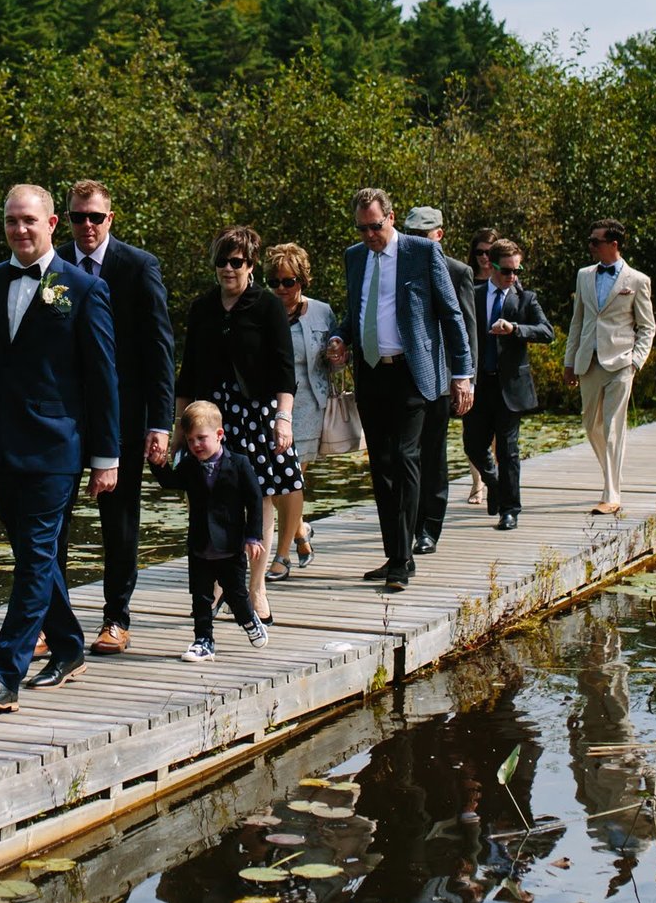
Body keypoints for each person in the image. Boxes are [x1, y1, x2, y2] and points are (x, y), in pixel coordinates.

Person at [0, 184, 120, 712]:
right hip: (0, 444)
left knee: (34, 555)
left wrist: (105, 457)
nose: (20, 230)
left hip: (58, 447)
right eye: (12, 221)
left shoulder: (82, 287)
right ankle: (71, 645)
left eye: (29, 220)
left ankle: (3, 674)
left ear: (52, 223)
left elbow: (103, 380)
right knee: (33, 552)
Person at [55, 178, 176, 656]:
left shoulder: (139, 266)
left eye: (95, 217)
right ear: (66, 219)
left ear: (111, 218)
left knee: (120, 520)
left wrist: (160, 423)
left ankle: (115, 619)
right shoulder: (54, 263)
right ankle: (51, 622)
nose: (86, 225)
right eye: (78, 216)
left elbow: (160, 350)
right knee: (52, 520)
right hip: (64, 415)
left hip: (124, 413)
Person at [330, 189, 472, 591]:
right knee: (382, 466)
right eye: (362, 228)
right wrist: (341, 338)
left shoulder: (422, 253)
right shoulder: (355, 256)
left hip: (413, 372)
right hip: (372, 372)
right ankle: (397, 554)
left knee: (407, 458)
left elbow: (451, 314)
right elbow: (356, 311)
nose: (369, 235)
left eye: (375, 226)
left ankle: (401, 560)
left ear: (390, 218)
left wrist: (462, 373)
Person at [175, 224, 297, 622]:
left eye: (236, 262)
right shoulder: (203, 307)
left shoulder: (266, 306)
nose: (228, 269)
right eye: (221, 262)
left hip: (256, 413)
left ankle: (256, 587)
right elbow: (188, 371)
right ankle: (213, 586)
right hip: (210, 414)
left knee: (258, 498)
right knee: (206, 496)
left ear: (250, 264)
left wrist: (283, 418)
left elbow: (284, 370)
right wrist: (179, 426)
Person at [149, 401, 268, 660]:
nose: (196, 445)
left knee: (236, 593)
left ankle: (249, 620)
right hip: (200, 545)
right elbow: (171, 482)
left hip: (230, 544)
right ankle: (203, 639)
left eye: (201, 438)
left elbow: (254, 500)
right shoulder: (191, 466)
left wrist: (253, 535)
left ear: (219, 435)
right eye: (190, 440)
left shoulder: (239, 464)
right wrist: (156, 461)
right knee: (201, 597)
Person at [399, 206, 478, 557]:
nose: (416, 241)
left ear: (439, 235)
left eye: (423, 235)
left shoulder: (457, 271)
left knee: (433, 454)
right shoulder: (394, 266)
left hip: (440, 379)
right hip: (401, 377)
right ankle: (407, 525)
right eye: (410, 234)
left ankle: (430, 527)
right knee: (404, 455)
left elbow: (465, 328)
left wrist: (464, 378)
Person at [563, 218, 655, 514]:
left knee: (614, 426)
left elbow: (647, 327)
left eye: (595, 242)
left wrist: (635, 362)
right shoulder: (584, 275)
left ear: (613, 244)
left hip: (620, 362)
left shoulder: (637, 280)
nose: (590, 246)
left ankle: (611, 493)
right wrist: (569, 361)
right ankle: (610, 475)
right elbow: (577, 321)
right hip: (588, 361)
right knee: (591, 425)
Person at [466, 238, 552, 530]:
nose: (513, 277)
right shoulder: (474, 295)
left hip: (510, 386)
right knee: (473, 445)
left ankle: (510, 510)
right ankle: (496, 486)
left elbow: (546, 331)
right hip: (479, 384)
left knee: (508, 449)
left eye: (517, 271)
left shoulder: (526, 298)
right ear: (491, 265)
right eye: (507, 271)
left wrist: (515, 328)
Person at [265, 241, 332, 577]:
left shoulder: (322, 312)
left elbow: (333, 357)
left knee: (290, 475)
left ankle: (282, 555)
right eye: (274, 282)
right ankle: (300, 529)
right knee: (278, 477)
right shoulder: (262, 309)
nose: (281, 288)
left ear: (302, 281)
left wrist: (338, 354)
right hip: (267, 403)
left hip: (307, 402)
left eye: (288, 282)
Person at [463, 227, 500, 509]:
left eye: (490, 252)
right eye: (480, 252)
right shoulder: (465, 281)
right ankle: (478, 483)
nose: (485, 258)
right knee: (472, 430)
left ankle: (497, 480)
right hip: (473, 365)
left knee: (500, 432)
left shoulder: (508, 281)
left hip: (499, 364)